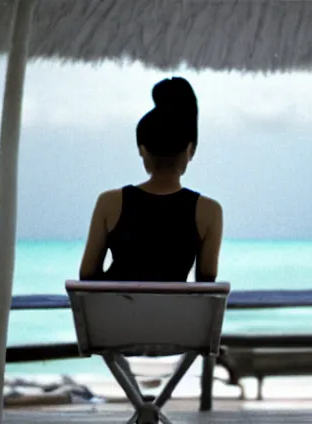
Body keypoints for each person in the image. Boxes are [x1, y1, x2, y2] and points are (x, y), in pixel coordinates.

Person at [79, 76, 223, 283]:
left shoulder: (109, 203)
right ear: (190, 150)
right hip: (174, 315)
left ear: (142, 150)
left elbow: (87, 275)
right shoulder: (209, 211)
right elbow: (206, 283)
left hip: (115, 314)